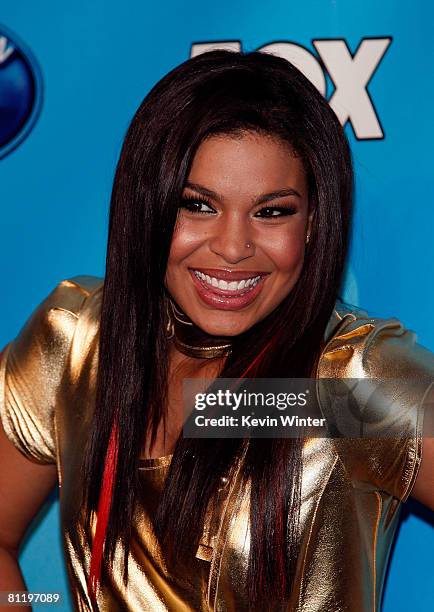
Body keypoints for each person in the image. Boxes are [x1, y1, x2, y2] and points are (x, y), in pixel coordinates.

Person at [0, 49, 433, 612]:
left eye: (271, 211)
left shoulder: (348, 384)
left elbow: (259, 408)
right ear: (146, 205)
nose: (232, 248)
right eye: (197, 205)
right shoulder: (78, 340)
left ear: (316, 221)